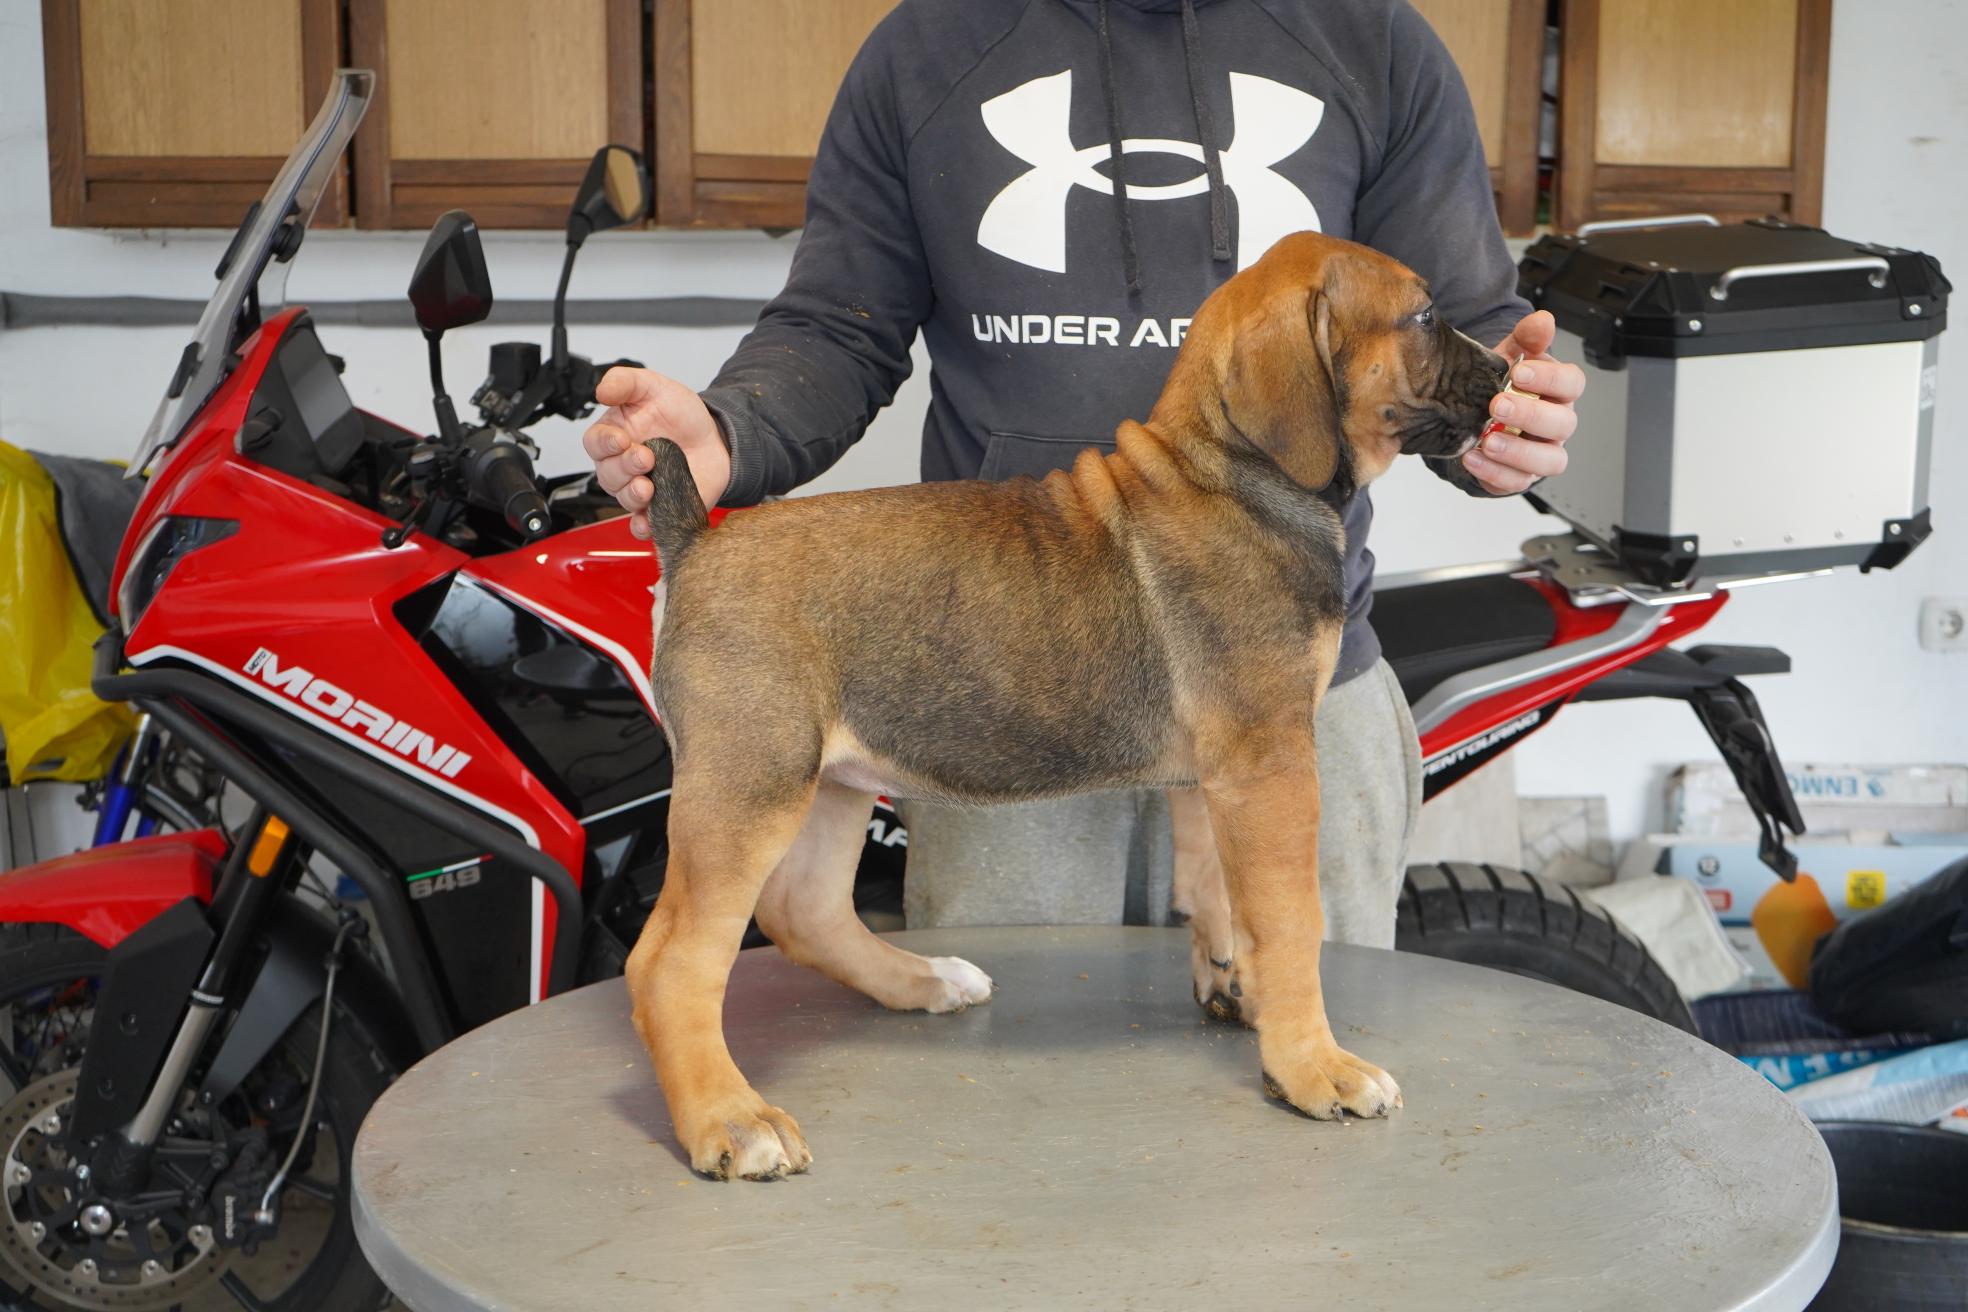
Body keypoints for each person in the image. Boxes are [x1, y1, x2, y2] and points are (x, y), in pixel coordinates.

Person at [581, 0, 1584, 948]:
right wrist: (730, 429)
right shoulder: (926, 46)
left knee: (1307, 1088)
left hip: (1296, 688)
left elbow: (1454, 328)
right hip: (1004, 697)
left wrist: (1501, 424)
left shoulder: (1376, 40)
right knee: (1014, 1115)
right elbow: (840, 325)